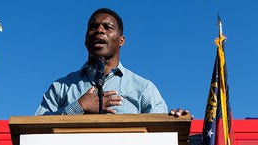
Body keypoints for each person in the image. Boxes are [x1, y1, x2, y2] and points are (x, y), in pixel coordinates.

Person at [35, 8, 169, 115]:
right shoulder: (61, 87)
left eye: (107, 27)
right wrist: (78, 107)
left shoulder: (143, 88)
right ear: (86, 41)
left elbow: (163, 132)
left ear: (121, 40)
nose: (99, 30)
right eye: (93, 27)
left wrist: (178, 119)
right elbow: (36, 130)